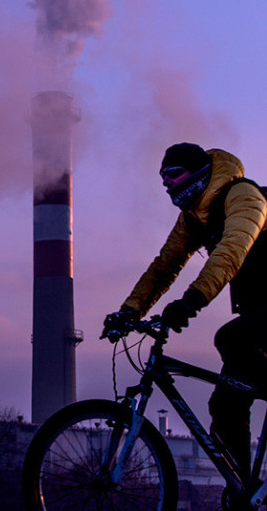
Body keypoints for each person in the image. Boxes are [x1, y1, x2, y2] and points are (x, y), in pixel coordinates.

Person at [103, 142, 267, 479]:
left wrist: (192, 300)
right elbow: (164, 267)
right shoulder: (194, 217)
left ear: (198, 173)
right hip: (259, 312)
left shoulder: (243, 197)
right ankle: (242, 487)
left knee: (231, 337)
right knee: (224, 405)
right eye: (162, 178)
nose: (167, 183)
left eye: (173, 175)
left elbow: (232, 250)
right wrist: (129, 311)